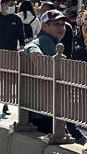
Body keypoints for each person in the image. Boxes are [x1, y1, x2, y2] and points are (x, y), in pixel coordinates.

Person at [24, 10, 87, 144]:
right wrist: (33, 50)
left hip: (45, 109)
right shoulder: (46, 40)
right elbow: (32, 44)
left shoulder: (54, 42)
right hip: (45, 112)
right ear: (44, 26)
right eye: (56, 24)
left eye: (62, 24)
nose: (60, 27)